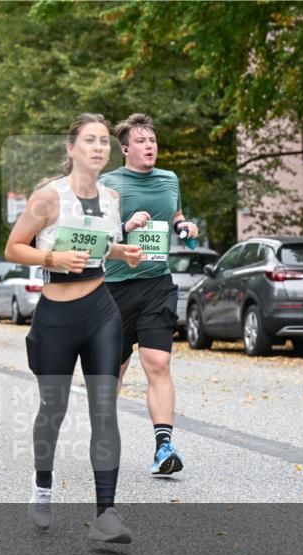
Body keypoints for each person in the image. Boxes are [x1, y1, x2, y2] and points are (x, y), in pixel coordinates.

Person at [5, 113, 142, 543]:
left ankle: (106, 514)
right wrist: (52, 260)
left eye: (104, 141)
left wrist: (124, 252)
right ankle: (43, 485)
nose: (98, 148)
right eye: (89, 140)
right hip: (56, 317)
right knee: (54, 409)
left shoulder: (112, 198)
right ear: (71, 149)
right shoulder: (48, 197)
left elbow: (99, 244)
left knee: (105, 410)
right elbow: (13, 247)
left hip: (102, 311)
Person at [98, 113, 199, 476]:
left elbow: (176, 215)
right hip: (113, 288)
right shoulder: (108, 183)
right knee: (114, 371)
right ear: (125, 149)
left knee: (158, 363)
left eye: (152, 140)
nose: (150, 146)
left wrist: (184, 226)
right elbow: (94, 234)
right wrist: (125, 226)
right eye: (141, 141)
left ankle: (164, 447)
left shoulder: (170, 180)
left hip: (157, 283)